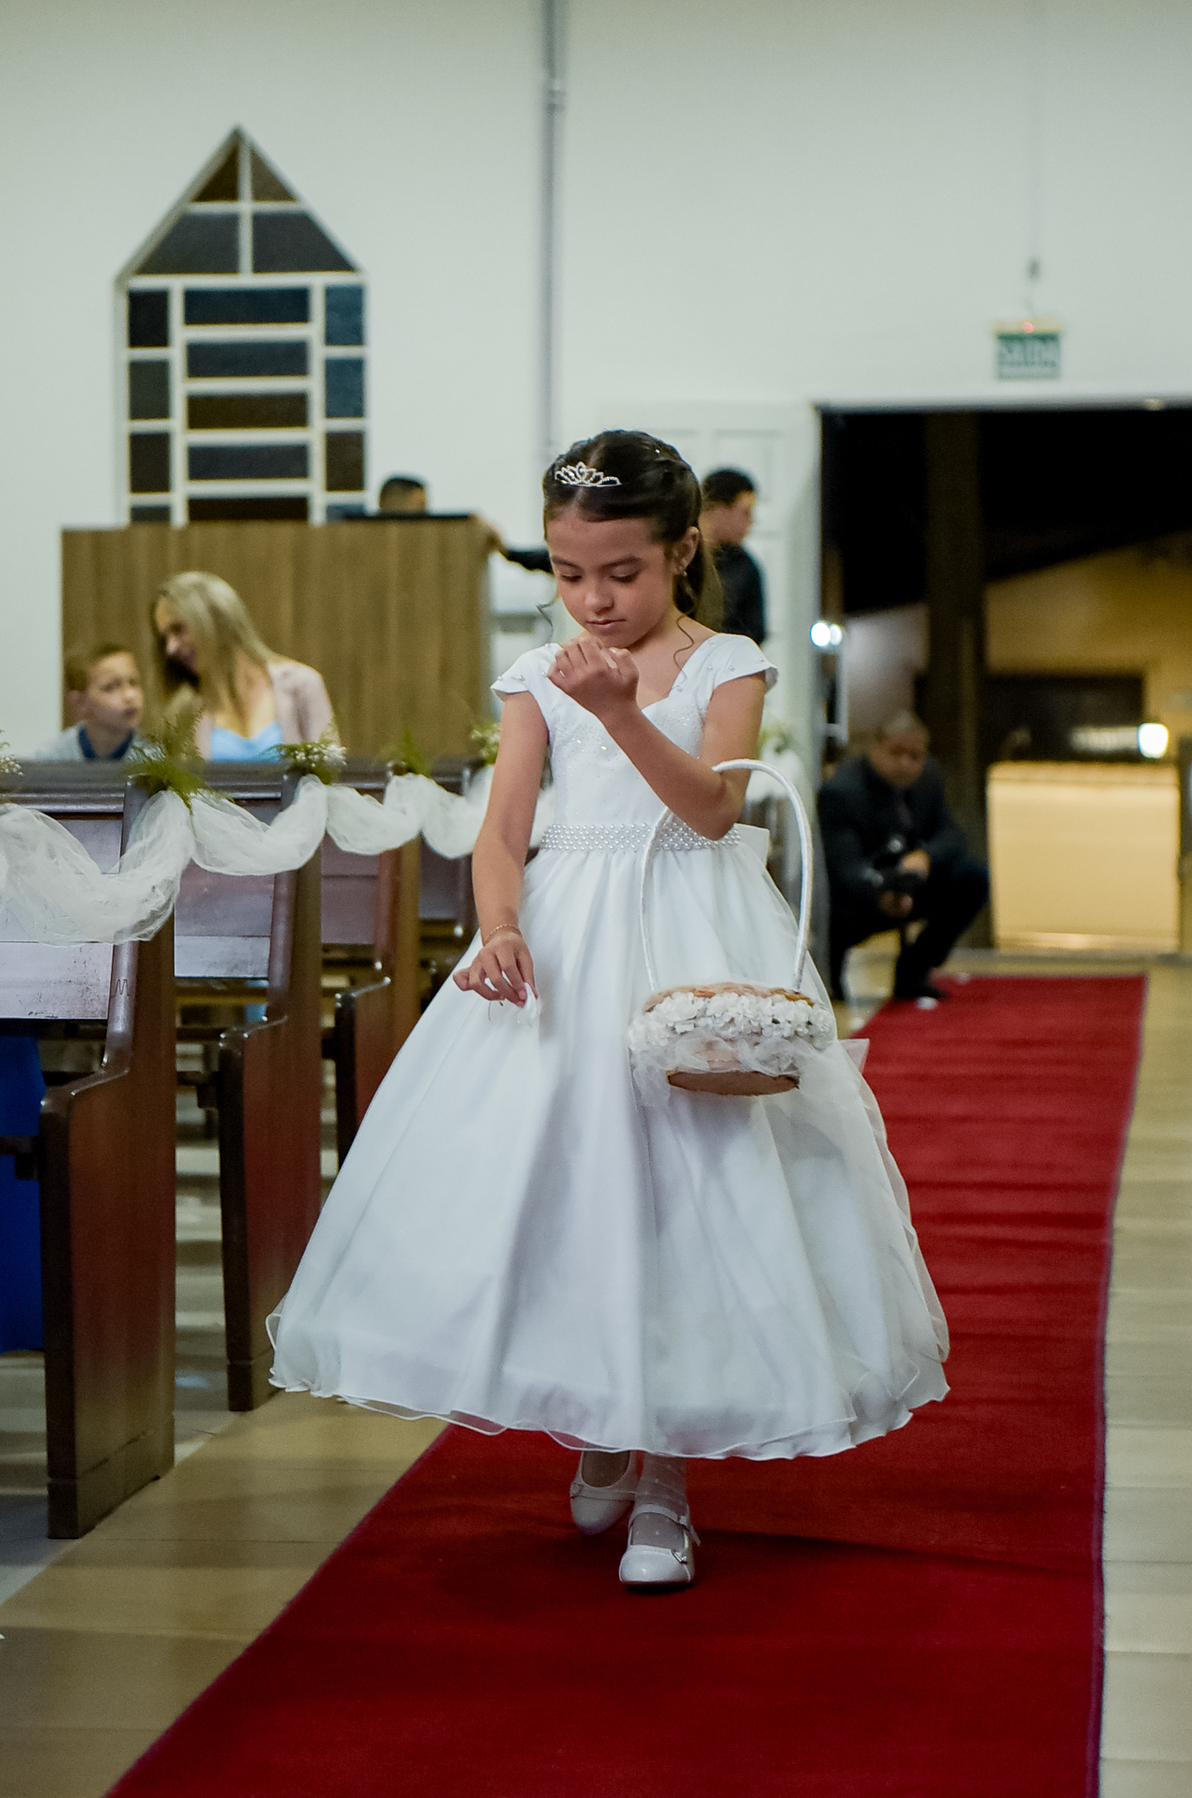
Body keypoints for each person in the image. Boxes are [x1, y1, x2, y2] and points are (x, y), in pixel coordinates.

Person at [269, 431, 948, 1593]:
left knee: (694, 1189)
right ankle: (600, 1411)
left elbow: (710, 813)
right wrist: (500, 927)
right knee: (578, 1184)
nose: (593, 599)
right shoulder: (541, 671)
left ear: (681, 552)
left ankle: (667, 1480)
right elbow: (502, 830)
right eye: (569, 573)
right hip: (571, 934)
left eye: (621, 573)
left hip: (691, 927)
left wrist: (626, 712)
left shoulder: (726, 662)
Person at [817, 711, 990, 1003]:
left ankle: (915, 969)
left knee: (972, 877)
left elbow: (952, 836)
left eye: (915, 756)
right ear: (875, 747)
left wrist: (925, 857)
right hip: (859, 894)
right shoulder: (842, 792)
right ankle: (831, 981)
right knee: (835, 905)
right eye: (896, 753)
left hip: (912, 881)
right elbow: (844, 869)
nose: (906, 764)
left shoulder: (928, 778)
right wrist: (882, 891)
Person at [152, 572, 336, 760]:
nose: (170, 649)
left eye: (178, 629)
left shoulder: (303, 686)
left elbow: (330, 773)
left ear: (217, 619)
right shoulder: (186, 710)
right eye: (165, 638)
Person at [33, 644, 149, 761]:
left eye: (133, 682)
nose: (130, 695)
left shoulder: (153, 756)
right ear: (80, 701)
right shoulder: (51, 758)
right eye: (110, 687)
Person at [701, 468, 766, 644]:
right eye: (745, 512)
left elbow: (755, 632)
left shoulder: (746, 568)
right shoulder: (678, 559)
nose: (751, 521)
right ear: (718, 509)